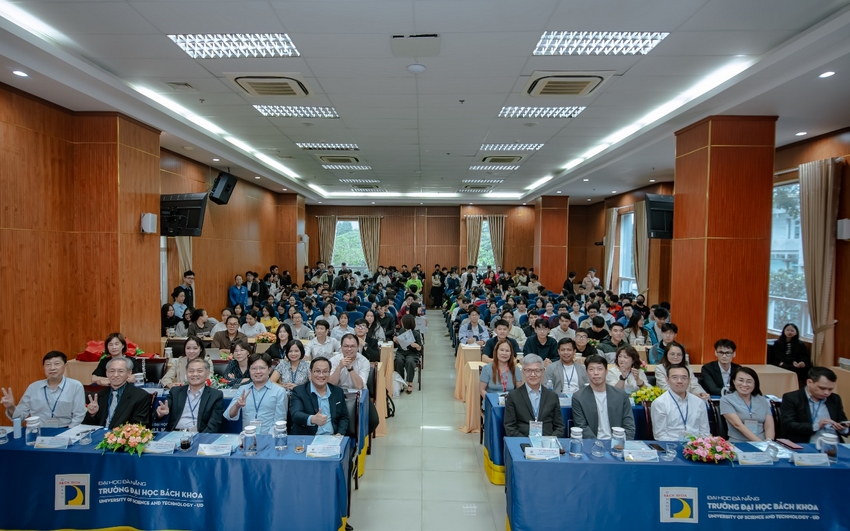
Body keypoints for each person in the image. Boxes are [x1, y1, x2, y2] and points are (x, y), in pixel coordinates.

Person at [2, 351, 85, 428]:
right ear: (43, 368)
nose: (52, 368)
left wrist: (67, 433)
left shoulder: (76, 386)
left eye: (56, 364)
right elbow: (20, 418)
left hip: (65, 429)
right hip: (37, 430)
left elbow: (78, 416)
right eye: (48, 364)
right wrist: (11, 407)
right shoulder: (33, 388)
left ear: (65, 366)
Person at [573, 354, 636, 440]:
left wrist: (623, 443)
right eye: (591, 369)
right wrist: (597, 444)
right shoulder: (578, 397)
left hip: (618, 443)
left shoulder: (621, 395)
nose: (596, 373)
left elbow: (629, 425)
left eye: (600, 369)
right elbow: (581, 426)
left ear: (606, 371)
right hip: (592, 443)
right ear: (587, 372)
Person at [780, 366, 849, 443]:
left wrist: (843, 428)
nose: (827, 393)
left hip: (834, 442)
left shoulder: (835, 399)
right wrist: (816, 426)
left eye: (830, 389)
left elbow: (843, 422)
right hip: (807, 442)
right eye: (822, 388)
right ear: (809, 382)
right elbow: (788, 424)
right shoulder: (792, 398)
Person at [224, 353, 288, 434]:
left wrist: (266, 440)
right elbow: (229, 415)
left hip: (270, 438)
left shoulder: (279, 391)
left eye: (262, 368)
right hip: (248, 437)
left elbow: (279, 421)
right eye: (253, 368)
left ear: (269, 370)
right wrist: (237, 406)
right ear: (249, 370)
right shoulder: (243, 389)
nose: (258, 372)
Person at [155, 357, 223, 433]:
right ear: (186, 373)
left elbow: (214, 424)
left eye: (199, 371)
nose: (195, 374)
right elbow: (159, 415)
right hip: (175, 434)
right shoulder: (175, 392)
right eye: (191, 371)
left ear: (207, 374)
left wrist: (200, 438)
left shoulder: (215, 395)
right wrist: (160, 414)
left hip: (199, 435)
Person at [504, 354, 565, 438]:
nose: (533, 374)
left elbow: (559, 427)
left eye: (537, 370)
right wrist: (526, 443)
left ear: (543, 371)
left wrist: (549, 442)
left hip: (547, 444)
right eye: (528, 370)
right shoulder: (513, 396)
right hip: (523, 442)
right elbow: (510, 427)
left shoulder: (552, 396)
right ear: (523, 372)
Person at [82, 357, 151, 428]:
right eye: (112, 371)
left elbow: (138, 426)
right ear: (107, 373)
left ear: (129, 373)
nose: (115, 375)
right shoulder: (100, 395)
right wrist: (92, 414)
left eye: (120, 371)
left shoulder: (140, 396)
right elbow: (88, 426)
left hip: (121, 436)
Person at [289, 357, 349, 436]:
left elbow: (343, 417)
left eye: (325, 371)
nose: (321, 375)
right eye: (317, 371)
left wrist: (340, 433)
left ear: (329, 373)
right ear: (310, 372)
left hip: (332, 438)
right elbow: (295, 414)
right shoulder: (299, 391)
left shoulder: (337, 391)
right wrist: (312, 419)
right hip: (307, 438)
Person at [651, 364, 711, 441]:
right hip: (671, 447)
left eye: (684, 377)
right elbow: (660, 436)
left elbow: (705, 432)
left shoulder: (699, 402)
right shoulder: (660, 403)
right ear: (667, 380)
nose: (679, 381)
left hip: (696, 448)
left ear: (689, 380)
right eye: (675, 377)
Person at [720, 367, 774, 442]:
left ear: (755, 384)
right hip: (739, 443)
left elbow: (769, 425)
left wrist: (769, 441)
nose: (744, 384)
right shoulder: (726, 400)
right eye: (741, 380)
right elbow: (738, 425)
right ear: (734, 381)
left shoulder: (762, 400)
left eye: (749, 381)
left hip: (764, 443)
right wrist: (760, 444)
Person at [768, 323, 812, 388]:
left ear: (796, 333)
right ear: (784, 331)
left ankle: (799, 386)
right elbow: (779, 355)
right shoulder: (778, 343)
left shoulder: (800, 344)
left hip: (796, 363)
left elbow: (803, 355)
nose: (789, 332)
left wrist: (802, 362)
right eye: (788, 330)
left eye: (792, 331)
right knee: (786, 367)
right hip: (782, 361)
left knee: (806, 368)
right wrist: (792, 361)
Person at [394, 314, 423, 394]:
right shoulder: (401, 331)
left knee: (409, 361)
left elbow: (420, 348)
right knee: (398, 361)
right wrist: (396, 340)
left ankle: (410, 382)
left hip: (412, 353)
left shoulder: (416, 333)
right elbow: (398, 344)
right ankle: (401, 381)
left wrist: (416, 345)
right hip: (401, 352)